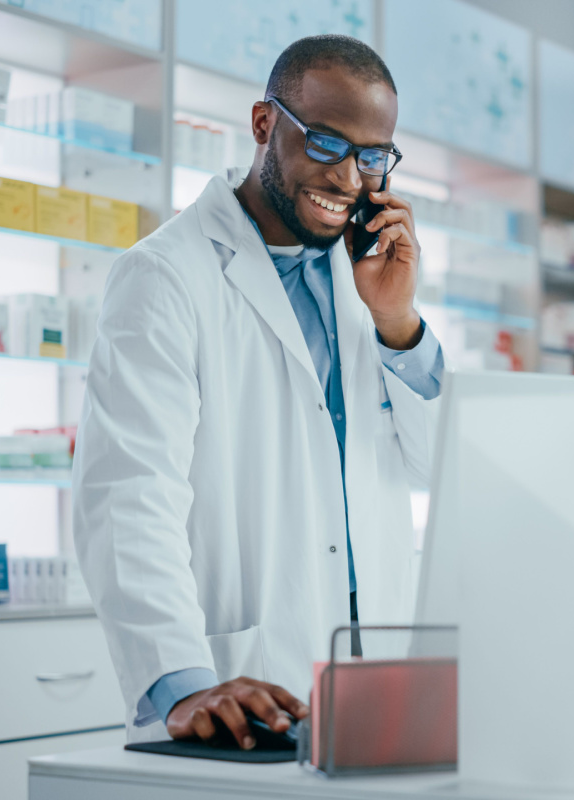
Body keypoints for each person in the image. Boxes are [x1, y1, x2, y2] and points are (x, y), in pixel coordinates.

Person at [72, 35, 443, 749]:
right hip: (244, 686)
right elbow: (129, 493)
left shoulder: (364, 280)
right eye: (328, 143)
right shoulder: (167, 276)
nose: (348, 180)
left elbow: (431, 468)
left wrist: (398, 322)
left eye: (372, 157)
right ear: (264, 125)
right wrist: (181, 681)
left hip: (380, 683)